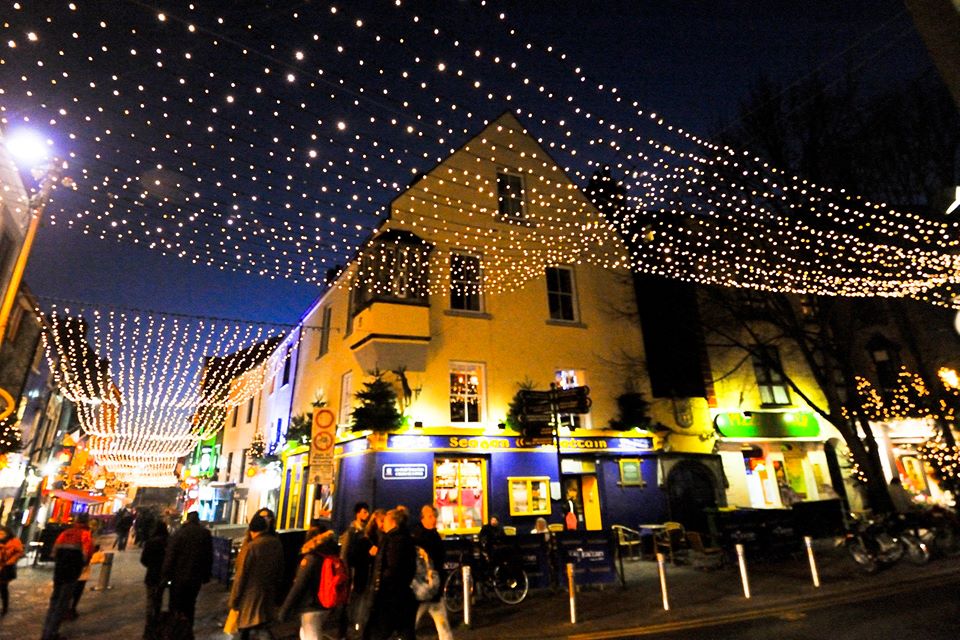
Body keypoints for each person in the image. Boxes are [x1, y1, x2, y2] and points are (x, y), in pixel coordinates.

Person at [229, 513, 285, 639]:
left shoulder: (251, 547)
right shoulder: (276, 543)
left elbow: (241, 576)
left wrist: (234, 599)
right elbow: (280, 570)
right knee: (263, 625)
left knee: (247, 629)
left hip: (250, 597)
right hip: (268, 594)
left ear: (252, 531)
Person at [278, 524, 339, 640]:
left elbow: (298, 586)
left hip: (310, 607)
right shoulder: (329, 555)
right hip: (325, 605)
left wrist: (284, 610)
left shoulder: (310, 559)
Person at [364, 508, 417, 640]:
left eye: (385, 520)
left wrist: (382, 585)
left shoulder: (395, 540)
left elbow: (392, 567)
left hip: (390, 594)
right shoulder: (402, 538)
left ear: (393, 522)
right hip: (398, 592)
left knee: (379, 630)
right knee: (405, 629)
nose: (383, 524)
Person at [41, 512, 94, 640]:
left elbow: (54, 552)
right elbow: (87, 554)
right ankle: (51, 634)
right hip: (72, 572)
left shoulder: (65, 533)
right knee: (62, 603)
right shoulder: (85, 535)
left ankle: (46, 632)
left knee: (54, 601)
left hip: (59, 571)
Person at [161, 511, 213, 636]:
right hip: (195, 577)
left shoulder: (179, 533)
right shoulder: (205, 534)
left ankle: (175, 629)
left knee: (175, 604)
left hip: (178, 576)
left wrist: (165, 574)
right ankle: (187, 629)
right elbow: (208, 557)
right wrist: (206, 575)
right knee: (190, 604)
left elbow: (171, 555)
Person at [412, 505, 452, 640]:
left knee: (443, 626)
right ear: (423, 518)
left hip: (434, 589)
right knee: (411, 625)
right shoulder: (417, 536)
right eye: (430, 516)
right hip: (421, 590)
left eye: (435, 516)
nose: (434, 519)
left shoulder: (434, 535)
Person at [338, 502, 370, 638]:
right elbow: (344, 554)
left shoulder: (365, 531)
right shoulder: (352, 531)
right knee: (348, 602)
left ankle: (353, 629)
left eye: (367, 512)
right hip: (352, 572)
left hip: (361, 572)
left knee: (357, 601)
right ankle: (343, 631)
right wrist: (347, 572)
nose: (366, 514)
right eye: (363, 512)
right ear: (357, 513)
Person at [140, 521, 169, 632]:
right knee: (159, 598)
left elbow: (143, 559)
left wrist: (151, 565)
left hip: (151, 575)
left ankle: (150, 623)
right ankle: (157, 618)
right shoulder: (168, 542)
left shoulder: (150, 542)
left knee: (150, 599)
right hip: (163, 575)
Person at [0, 524, 25, 616]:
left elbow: (20, 552)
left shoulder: (14, 541)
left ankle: (5, 607)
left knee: (3, 587)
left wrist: (11, 560)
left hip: (6, 567)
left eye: (3, 533)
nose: (1, 535)